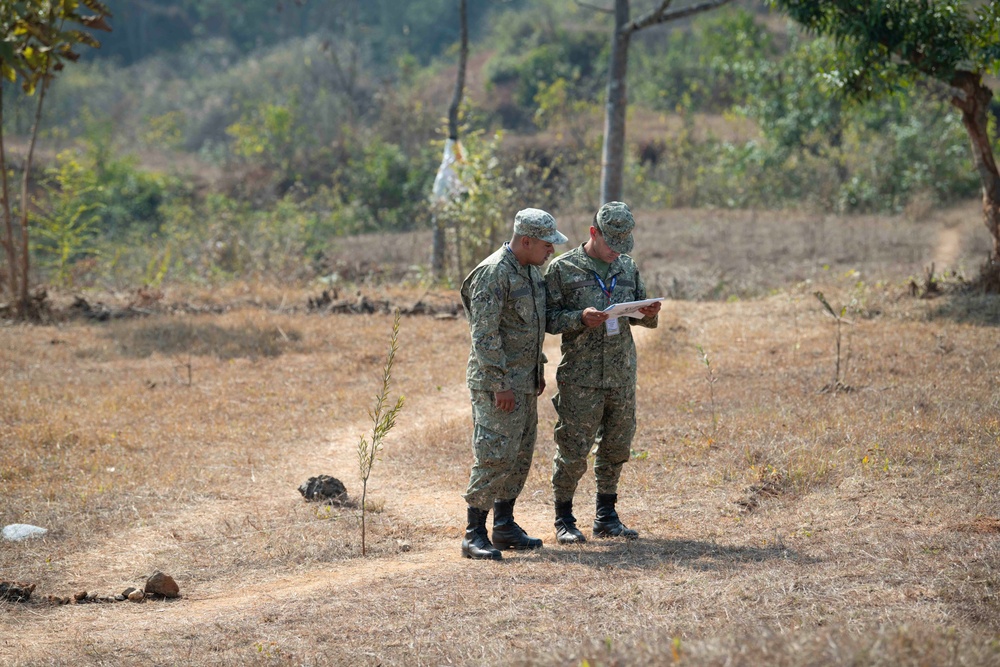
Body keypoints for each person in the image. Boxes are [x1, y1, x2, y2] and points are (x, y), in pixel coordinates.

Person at [543, 201, 661, 543]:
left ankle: (606, 516)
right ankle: (564, 518)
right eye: (612, 244)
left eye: (623, 246)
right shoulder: (562, 269)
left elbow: (640, 315)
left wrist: (649, 311)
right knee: (573, 448)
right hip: (581, 377)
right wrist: (579, 318)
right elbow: (547, 319)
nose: (617, 253)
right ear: (593, 233)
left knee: (616, 446)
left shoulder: (627, 267)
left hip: (621, 374)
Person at [459, 208, 569, 560]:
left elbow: (533, 326)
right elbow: (485, 335)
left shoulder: (530, 272)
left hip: (523, 382)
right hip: (499, 385)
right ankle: (474, 532)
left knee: (519, 455)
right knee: (494, 454)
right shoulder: (494, 273)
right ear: (526, 240)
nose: (551, 250)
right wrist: (499, 384)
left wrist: (537, 370)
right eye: (546, 244)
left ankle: (504, 525)